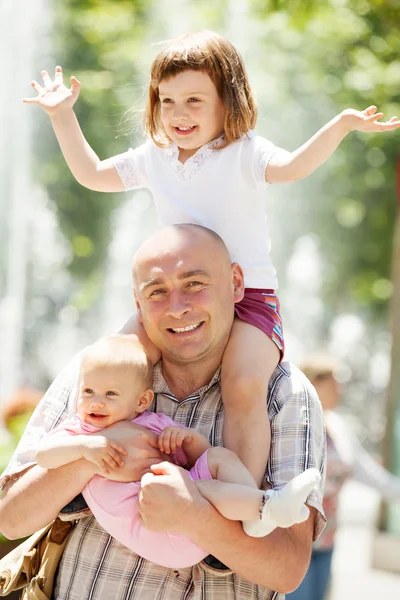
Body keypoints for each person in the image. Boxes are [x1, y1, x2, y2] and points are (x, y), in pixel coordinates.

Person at [22, 31, 400, 492]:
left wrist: (341, 125)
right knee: (112, 362)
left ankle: (244, 496)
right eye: (168, 101)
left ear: (228, 100)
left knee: (242, 384)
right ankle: (93, 463)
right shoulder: (155, 157)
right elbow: (92, 174)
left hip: (250, 298)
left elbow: (294, 168)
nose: (179, 114)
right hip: (174, 296)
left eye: (195, 100)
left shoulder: (244, 153)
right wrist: (62, 115)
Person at [0, 224, 326, 599]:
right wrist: (98, 453)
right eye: (157, 291)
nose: (177, 307)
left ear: (236, 283)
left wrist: (194, 515)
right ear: (137, 303)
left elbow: (287, 569)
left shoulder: (284, 393)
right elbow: (12, 519)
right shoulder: (96, 373)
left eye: (194, 283)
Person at [36, 333, 320, 568]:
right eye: (88, 392)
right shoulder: (79, 430)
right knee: (202, 489)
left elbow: (193, 459)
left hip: (184, 522)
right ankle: (265, 506)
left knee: (218, 460)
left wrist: (186, 439)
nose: (96, 403)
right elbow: (44, 454)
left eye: (111, 394)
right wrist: (85, 447)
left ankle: (260, 509)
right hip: (156, 531)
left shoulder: (151, 424)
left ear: (141, 401)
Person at [287, 354, 400, 600]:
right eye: (335, 381)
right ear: (313, 382)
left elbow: (368, 473)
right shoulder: (290, 422)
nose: (341, 389)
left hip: (326, 541)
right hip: (292, 542)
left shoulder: (339, 426)